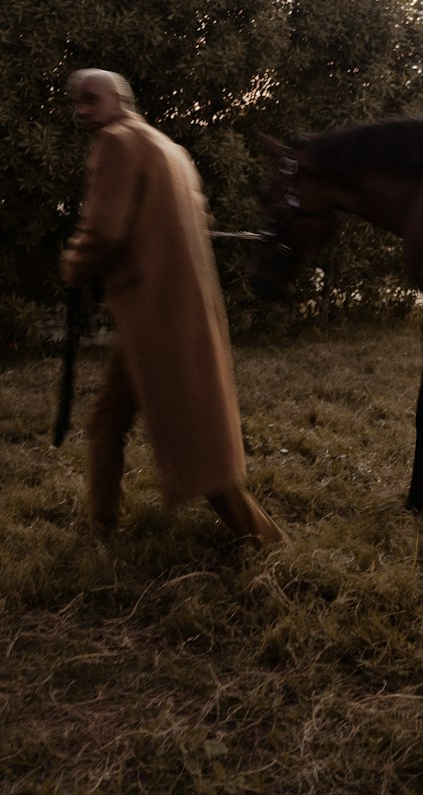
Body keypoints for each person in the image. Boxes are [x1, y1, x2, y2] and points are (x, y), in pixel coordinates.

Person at [61, 68, 285, 546]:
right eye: (77, 100)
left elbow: (105, 231)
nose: (82, 108)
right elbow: (201, 217)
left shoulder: (117, 143)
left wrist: (75, 262)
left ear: (120, 98)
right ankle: (102, 525)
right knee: (107, 420)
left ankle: (262, 539)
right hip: (167, 311)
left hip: (154, 312)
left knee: (194, 440)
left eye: (91, 98)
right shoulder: (170, 148)